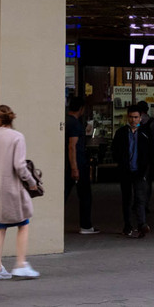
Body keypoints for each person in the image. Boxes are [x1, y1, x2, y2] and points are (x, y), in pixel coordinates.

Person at [0, 105, 39, 281]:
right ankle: (20, 264)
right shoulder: (17, 137)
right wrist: (32, 182)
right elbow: (20, 166)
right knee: (23, 222)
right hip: (10, 187)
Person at [113, 105, 154, 238]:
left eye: (136, 117)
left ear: (140, 118)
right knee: (127, 199)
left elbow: (151, 152)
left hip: (140, 171)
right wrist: (121, 162)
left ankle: (141, 224)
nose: (133, 120)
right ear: (127, 117)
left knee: (140, 198)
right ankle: (128, 225)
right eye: (131, 117)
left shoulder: (145, 133)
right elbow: (115, 150)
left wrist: (148, 168)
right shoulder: (121, 133)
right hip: (125, 170)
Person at [64, 97, 98, 235]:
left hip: (68, 164)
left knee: (65, 194)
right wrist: (75, 168)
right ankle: (86, 225)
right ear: (81, 109)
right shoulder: (75, 124)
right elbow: (72, 146)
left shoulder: (66, 121)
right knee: (85, 196)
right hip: (77, 165)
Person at [136, 101, 154, 209]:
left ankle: (137, 201)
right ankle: (145, 203)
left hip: (137, 154)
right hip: (149, 154)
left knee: (137, 179)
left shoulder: (136, 122)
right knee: (148, 179)